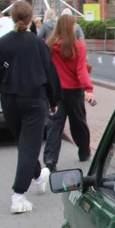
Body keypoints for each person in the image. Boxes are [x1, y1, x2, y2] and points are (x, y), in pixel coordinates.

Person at [0, 0, 61, 213]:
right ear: (29, 19)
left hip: (10, 101)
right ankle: (18, 195)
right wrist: (54, 101)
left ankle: (37, 176)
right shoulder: (37, 44)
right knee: (28, 145)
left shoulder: (3, 43)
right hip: (34, 100)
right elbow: (50, 73)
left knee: (24, 143)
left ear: (12, 18)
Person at [44, 14, 95, 171]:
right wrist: (89, 89)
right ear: (70, 27)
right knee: (78, 123)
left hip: (55, 92)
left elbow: (46, 68)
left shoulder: (49, 46)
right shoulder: (78, 47)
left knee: (55, 125)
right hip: (74, 91)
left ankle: (50, 159)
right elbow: (81, 71)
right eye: (74, 25)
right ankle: (84, 151)